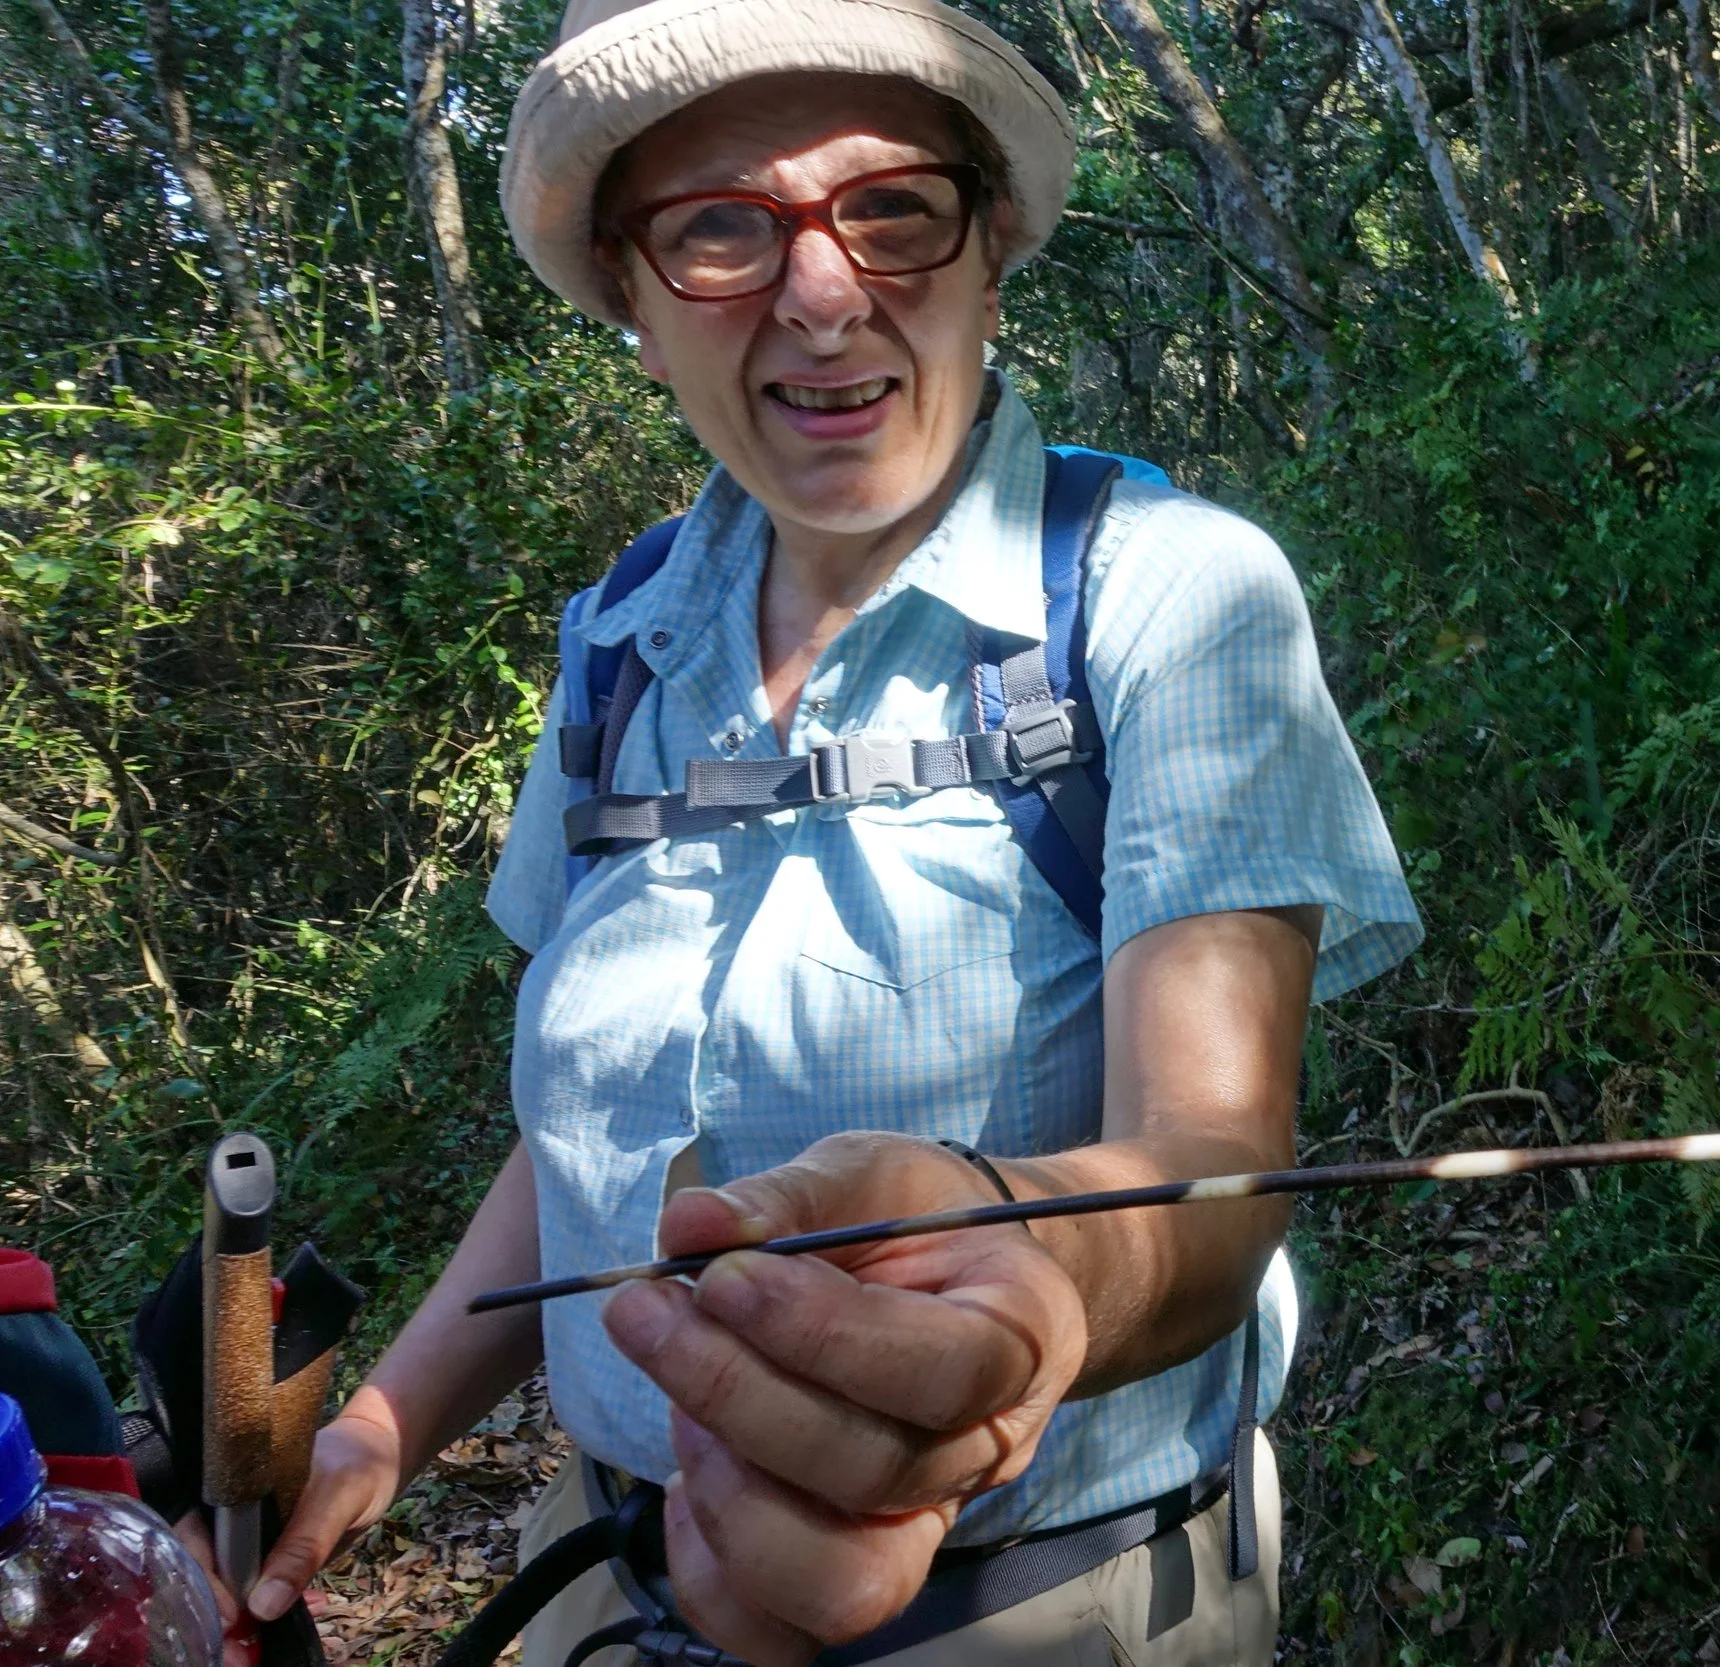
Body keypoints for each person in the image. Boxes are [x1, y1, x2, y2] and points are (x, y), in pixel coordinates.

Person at [200, 0, 1421, 1662]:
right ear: (631, 301)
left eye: (893, 208)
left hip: (1036, 1608)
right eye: (719, 227)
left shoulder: (1166, 595)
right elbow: (587, 1125)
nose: (825, 291)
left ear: (993, 247)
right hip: (598, 1582)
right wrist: (389, 1422)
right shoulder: (624, 640)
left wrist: (1048, 1285)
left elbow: (1216, 1151)